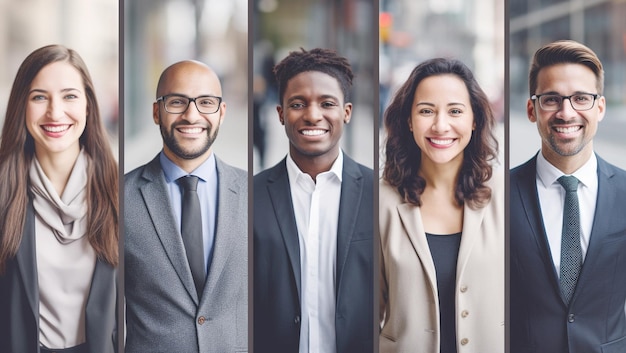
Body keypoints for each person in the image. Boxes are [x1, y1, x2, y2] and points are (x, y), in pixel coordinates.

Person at [379, 58, 504, 352]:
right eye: (426, 111)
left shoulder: (506, 194)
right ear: (409, 120)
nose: (440, 125)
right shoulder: (379, 201)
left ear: (474, 121)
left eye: (455, 111)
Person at [253, 48, 374, 353]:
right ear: (280, 113)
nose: (312, 114)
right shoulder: (250, 196)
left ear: (346, 112)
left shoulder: (381, 194)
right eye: (298, 104)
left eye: (327, 103)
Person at [0, 45, 119, 353]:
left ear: (89, 106)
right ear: (21, 106)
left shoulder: (121, 192)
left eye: (69, 96)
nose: (55, 112)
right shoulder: (4, 192)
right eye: (39, 97)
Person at [510, 40, 626, 352]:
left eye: (581, 99)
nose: (566, 112)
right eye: (552, 99)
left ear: (599, 108)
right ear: (532, 110)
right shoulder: (496, 196)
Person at [124, 60, 247, 352]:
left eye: (206, 102)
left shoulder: (254, 194)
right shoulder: (119, 198)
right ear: (157, 112)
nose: (192, 115)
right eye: (177, 102)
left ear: (222, 113)